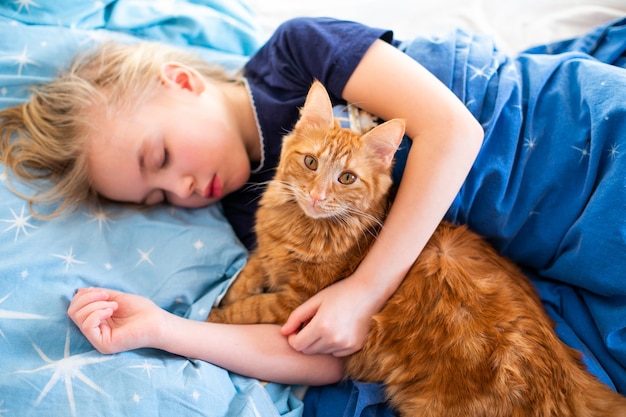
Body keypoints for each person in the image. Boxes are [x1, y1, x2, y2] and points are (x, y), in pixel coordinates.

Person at [2, 14, 626, 412]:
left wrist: (363, 288)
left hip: (558, 143)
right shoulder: (250, 211)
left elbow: (453, 132)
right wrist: (164, 329)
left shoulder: (294, 56)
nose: (184, 185)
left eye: (160, 156)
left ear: (180, 81)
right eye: (159, 198)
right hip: (536, 248)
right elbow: (320, 345)